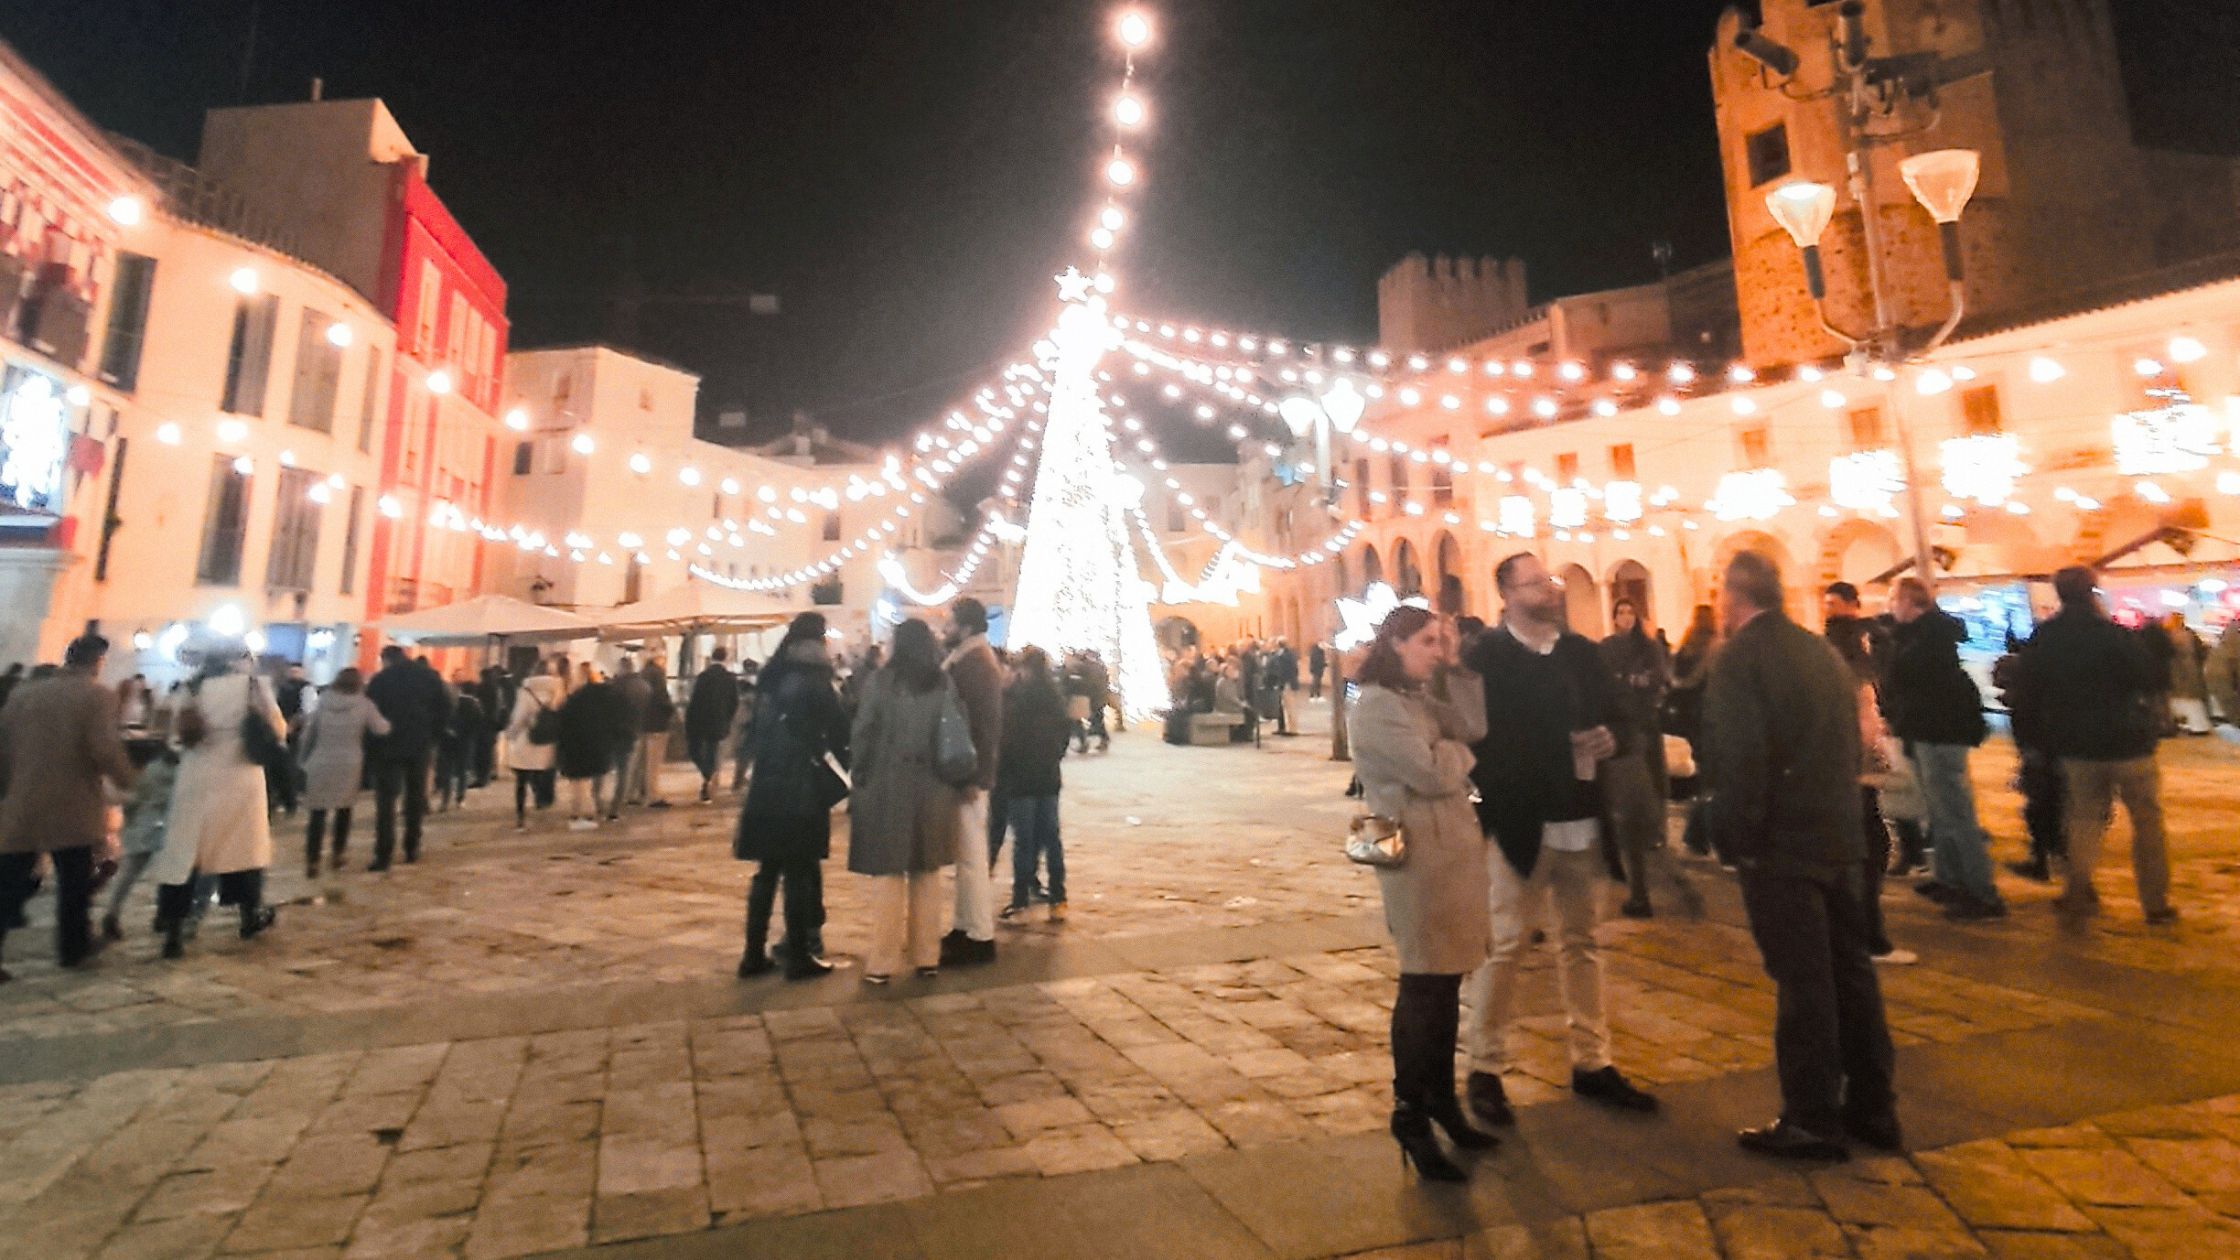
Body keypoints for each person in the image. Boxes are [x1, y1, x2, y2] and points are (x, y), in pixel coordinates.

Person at [1701, 551, 1899, 1162]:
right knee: (1851, 974)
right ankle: (1873, 1108)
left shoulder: (1741, 659)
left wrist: (1738, 839)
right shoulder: (1820, 652)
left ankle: (1812, 1116)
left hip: (1783, 845)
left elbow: (1741, 759)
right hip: (1838, 835)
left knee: (1804, 983)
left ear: (1733, 599)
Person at [1461, 553, 1659, 1125]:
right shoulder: (1487, 658)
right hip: (1521, 820)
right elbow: (1474, 741)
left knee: (1583, 941)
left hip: (1581, 816)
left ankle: (1592, 1060)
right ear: (1505, 594)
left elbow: (1623, 720)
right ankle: (1486, 1066)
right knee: (1507, 944)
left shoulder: (1582, 653)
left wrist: (1611, 740)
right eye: (1534, 583)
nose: (1548, 590)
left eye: (1549, 581)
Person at [1350, 605, 1497, 1180]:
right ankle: (1411, 1111)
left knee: (1444, 983)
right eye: (1429, 642)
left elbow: (1472, 724)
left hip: (1448, 853)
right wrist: (1459, 759)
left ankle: (1441, 1101)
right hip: (1418, 860)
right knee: (1424, 984)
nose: (1438, 650)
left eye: (1442, 641)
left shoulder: (1414, 698)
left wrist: (1456, 667)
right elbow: (1434, 772)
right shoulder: (1378, 706)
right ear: (1397, 643)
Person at [2009, 567, 2176, 924]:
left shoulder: (2045, 637)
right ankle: (2155, 903)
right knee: (2147, 822)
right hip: (2128, 742)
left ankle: (2077, 892)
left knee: (2083, 819)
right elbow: (2147, 677)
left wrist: (2032, 743)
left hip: (2076, 746)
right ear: (2092, 591)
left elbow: (2027, 695)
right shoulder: (2113, 634)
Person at [0, 634, 136, 977]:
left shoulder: (23, 695)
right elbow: (104, 749)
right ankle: (72, 948)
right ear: (98, 661)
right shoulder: (96, 696)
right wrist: (131, 781)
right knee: (73, 883)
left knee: (9, 882)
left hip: (23, 801)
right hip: (71, 803)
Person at [735, 613, 849, 980]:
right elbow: (839, 730)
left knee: (767, 870)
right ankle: (799, 953)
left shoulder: (770, 678)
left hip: (766, 784)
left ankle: (752, 954)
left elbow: (754, 733)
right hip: (801, 786)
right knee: (799, 870)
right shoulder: (818, 681)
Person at [151, 646, 284, 959]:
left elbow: (174, 737)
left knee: (186, 853)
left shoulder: (190, 689)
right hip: (239, 775)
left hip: (197, 773)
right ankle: (249, 914)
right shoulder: (253, 686)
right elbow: (277, 727)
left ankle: (172, 929)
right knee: (244, 849)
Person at [1883, 577, 2003, 920]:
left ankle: (1981, 892)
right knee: (1938, 811)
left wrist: (1893, 642)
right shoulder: (1919, 635)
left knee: (1955, 814)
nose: (1891, 606)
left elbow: (1903, 675)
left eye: (1895, 600)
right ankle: (1950, 879)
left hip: (1939, 733)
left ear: (1911, 602)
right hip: (1925, 729)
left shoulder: (1930, 637)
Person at [847, 619, 959, 983]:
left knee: (889, 872)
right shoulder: (942, 682)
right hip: (934, 786)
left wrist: (859, 773)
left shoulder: (881, 682)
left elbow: (863, 732)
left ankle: (883, 961)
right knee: (927, 871)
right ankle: (927, 955)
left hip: (888, 784)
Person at [1599, 598, 1682, 918]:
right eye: (1620, 612)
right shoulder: (1606, 647)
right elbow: (1607, 682)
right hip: (1621, 729)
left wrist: (1629, 681)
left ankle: (1652, 840)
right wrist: (1627, 681)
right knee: (1627, 799)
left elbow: (1654, 678)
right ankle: (1633, 870)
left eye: (1630, 611)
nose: (1625, 617)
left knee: (1648, 786)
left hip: (1644, 724)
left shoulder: (1648, 647)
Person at [939, 598, 1004, 968]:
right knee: (966, 856)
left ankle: (980, 934)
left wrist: (976, 775)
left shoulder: (976, 663)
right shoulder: (971, 658)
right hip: (968, 771)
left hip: (970, 774)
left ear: (964, 626)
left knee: (972, 857)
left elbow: (983, 725)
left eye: (950, 622)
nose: (945, 628)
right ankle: (964, 926)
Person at [997, 646, 1073, 923]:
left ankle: (1020, 900)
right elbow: (1065, 733)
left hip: (1020, 778)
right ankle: (1058, 898)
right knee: (1052, 838)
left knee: (1024, 841)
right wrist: (1054, 756)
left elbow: (1006, 737)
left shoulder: (1015, 697)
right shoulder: (1054, 697)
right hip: (1048, 776)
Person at [296, 668, 390, 877]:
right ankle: (338, 854)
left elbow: (309, 734)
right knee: (344, 810)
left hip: (321, 760)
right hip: (349, 762)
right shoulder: (364, 705)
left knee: (317, 813)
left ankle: (312, 860)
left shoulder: (323, 702)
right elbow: (381, 728)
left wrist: (303, 760)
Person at [365, 644, 450, 871]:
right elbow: (445, 707)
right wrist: (433, 735)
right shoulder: (429, 676)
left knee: (386, 802)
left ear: (386, 659)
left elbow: (370, 713)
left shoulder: (380, 680)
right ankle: (412, 847)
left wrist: (371, 748)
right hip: (419, 745)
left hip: (388, 746)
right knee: (414, 798)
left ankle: (383, 853)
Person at [104, 739, 176, 942]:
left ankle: (112, 912)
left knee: (128, 875)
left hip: (139, 828)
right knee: (169, 873)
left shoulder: (140, 775)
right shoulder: (167, 769)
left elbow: (131, 803)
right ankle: (165, 915)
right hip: (165, 827)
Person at [556, 663, 623, 830]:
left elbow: (564, 723)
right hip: (599, 745)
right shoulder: (606, 696)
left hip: (577, 746)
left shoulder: (575, 700)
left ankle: (583, 813)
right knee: (590, 781)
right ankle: (587, 810)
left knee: (579, 783)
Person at [503, 658, 566, 829]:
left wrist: (510, 735)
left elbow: (519, 718)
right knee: (543, 776)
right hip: (548, 742)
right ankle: (543, 803)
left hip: (527, 740)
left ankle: (520, 816)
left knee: (521, 781)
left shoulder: (526, 690)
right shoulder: (558, 690)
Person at [684, 648, 740, 802]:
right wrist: (727, 719)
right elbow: (734, 702)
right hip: (719, 721)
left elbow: (695, 701)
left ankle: (707, 776)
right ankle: (709, 779)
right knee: (712, 752)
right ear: (726, 658)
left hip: (701, 721)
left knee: (695, 751)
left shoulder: (703, 677)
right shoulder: (730, 678)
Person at [627, 657, 675, 808]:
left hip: (641, 723)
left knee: (639, 761)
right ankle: (652, 795)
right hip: (657, 724)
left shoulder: (641, 674)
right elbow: (662, 698)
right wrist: (670, 711)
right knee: (653, 763)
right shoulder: (657, 674)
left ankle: (632, 793)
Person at [433, 673, 484, 813]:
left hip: (448, 740)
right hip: (466, 742)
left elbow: (443, 719)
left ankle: (444, 800)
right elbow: (479, 724)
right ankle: (460, 799)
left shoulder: (452, 701)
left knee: (447, 771)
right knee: (462, 772)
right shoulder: (475, 705)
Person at [607, 658, 649, 822]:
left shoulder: (615, 687)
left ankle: (602, 804)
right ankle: (617, 805)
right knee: (625, 771)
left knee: (606, 770)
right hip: (633, 731)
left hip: (614, 733)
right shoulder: (643, 686)